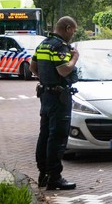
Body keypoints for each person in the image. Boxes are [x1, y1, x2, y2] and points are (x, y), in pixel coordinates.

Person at [30, 16, 80, 191]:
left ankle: (43, 173)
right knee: (57, 137)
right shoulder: (59, 46)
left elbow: (32, 67)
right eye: (73, 30)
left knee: (45, 134)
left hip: (46, 95)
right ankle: (55, 177)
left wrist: (46, 80)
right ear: (67, 28)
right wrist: (74, 58)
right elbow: (64, 70)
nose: (73, 34)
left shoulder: (43, 44)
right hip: (59, 98)